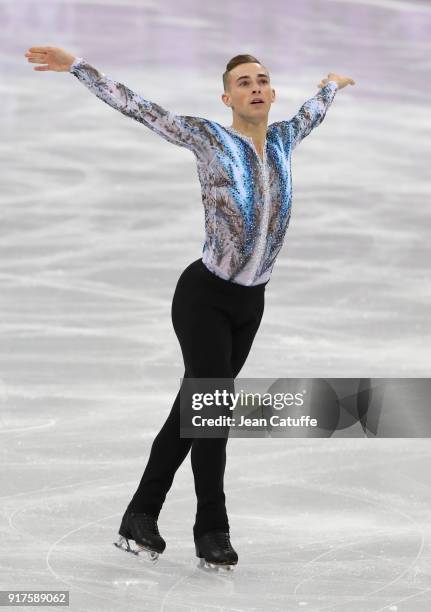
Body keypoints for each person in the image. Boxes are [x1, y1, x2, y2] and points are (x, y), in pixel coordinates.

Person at [24, 46, 355, 570]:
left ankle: (140, 513)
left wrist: (331, 85)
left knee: (193, 412)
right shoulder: (208, 136)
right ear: (228, 97)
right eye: (244, 81)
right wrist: (77, 67)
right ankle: (212, 528)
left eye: (262, 80)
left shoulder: (287, 137)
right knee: (214, 411)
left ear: (271, 93)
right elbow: (141, 107)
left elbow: (314, 110)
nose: (255, 86)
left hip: (252, 303)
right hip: (204, 297)